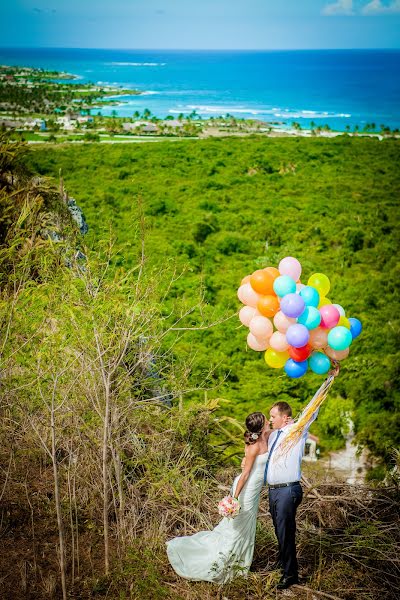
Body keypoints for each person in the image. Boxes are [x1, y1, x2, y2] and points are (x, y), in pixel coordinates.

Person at [166, 412, 272, 583]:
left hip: (254, 490)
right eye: (266, 420)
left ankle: (241, 565)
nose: (269, 421)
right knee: (237, 530)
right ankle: (228, 566)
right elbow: (245, 475)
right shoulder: (253, 447)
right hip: (246, 488)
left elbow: (283, 431)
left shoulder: (266, 435)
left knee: (246, 527)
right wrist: (234, 499)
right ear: (260, 426)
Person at [265, 364, 340, 590]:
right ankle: (284, 564)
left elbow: (312, 407)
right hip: (273, 490)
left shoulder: (296, 430)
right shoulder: (272, 436)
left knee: (285, 530)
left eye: (273, 416)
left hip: (288, 489)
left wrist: (328, 380)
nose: (270, 420)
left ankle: (290, 575)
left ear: (285, 418)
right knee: (279, 529)